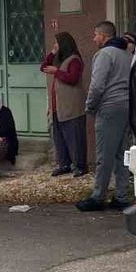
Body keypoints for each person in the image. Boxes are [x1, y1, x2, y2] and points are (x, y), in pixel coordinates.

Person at [76, 21, 132, 212]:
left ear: (103, 35)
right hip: (126, 105)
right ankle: (121, 196)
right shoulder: (127, 54)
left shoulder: (104, 55)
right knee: (121, 154)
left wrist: (90, 106)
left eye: (95, 35)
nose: (94, 39)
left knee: (104, 155)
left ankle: (98, 196)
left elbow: (97, 85)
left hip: (109, 106)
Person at [40, 31, 87, 177]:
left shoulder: (74, 60)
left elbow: (73, 78)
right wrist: (52, 53)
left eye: (57, 43)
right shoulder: (60, 59)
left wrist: (57, 71)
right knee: (59, 137)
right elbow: (43, 67)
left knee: (74, 137)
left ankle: (80, 165)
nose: (55, 45)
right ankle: (64, 163)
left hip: (71, 106)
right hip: (58, 106)